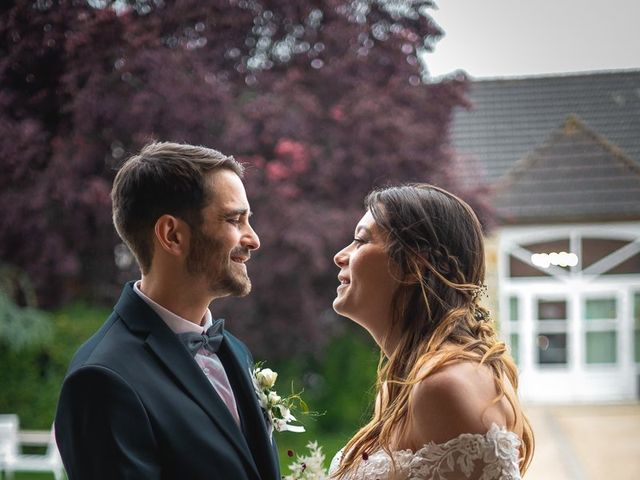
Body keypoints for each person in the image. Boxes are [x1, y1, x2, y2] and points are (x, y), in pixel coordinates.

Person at [54, 142, 280, 480]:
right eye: (235, 220)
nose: (253, 239)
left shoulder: (236, 352)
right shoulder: (102, 379)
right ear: (172, 235)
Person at [328, 184, 534, 479]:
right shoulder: (401, 385)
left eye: (361, 241)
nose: (340, 255)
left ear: (414, 264)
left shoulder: (443, 386)